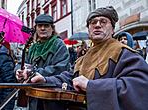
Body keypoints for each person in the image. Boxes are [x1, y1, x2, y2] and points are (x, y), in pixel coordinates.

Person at [19, 6, 148, 110]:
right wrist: (45, 79)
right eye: (93, 23)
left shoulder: (125, 53)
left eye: (103, 22)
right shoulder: (84, 57)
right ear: (89, 29)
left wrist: (91, 86)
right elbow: (69, 78)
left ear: (113, 29)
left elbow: (140, 87)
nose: (97, 25)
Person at [15, 14, 70, 110]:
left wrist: (34, 72)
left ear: (52, 28)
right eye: (40, 26)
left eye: (46, 25)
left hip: (52, 95)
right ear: (36, 28)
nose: (43, 28)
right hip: (33, 94)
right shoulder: (33, 47)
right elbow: (22, 63)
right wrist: (18, 71)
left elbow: (61, 68)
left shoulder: (58, 44)